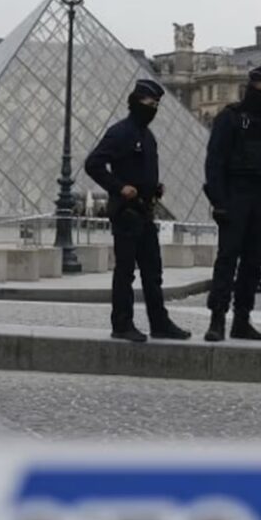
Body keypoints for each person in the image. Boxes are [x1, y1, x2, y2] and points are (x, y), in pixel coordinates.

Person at [84, 79, 191, 343]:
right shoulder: (119, 132)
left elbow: (144, 171)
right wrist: (119, 187)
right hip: (126, 213)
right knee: (125, 272)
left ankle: (159, 323)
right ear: (135, 101)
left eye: (156, 104)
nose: (153, 108)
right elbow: (93, 163)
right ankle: (122, 324)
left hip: (145, 211)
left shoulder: (148, 137)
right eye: (149, 103)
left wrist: (155, 188)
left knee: (153, 272)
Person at [203, 66, 261, 341]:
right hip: (235, 195)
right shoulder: (230, 118)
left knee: (253, 263)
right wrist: (219, 202)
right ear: (250, 88)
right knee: (227, 260)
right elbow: (214, 162)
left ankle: (242, 319)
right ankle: (217, 319)